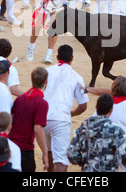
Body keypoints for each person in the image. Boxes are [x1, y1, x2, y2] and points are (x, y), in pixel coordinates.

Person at [67, 94, 126, 172]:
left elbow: (71, 153)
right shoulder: (115, 130)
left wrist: (87, 161)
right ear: (111, 110)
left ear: (96, 107)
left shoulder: (83, 128)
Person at [43, 44, 89, 172]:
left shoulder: (46, 71)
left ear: (57, 57)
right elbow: (83, 106)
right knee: (61, 160)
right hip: (61, 119)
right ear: (72, 58)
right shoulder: (76, 77)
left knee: (49, 152)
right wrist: (72, 113)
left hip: (42, 118)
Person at [9, 67, 49, 172]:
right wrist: (45, 153)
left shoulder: (19, 99)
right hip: (25, 150)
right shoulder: (42, 103)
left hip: (11, 147)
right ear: (46, 82)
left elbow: (10, 122)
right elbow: (37, 129)